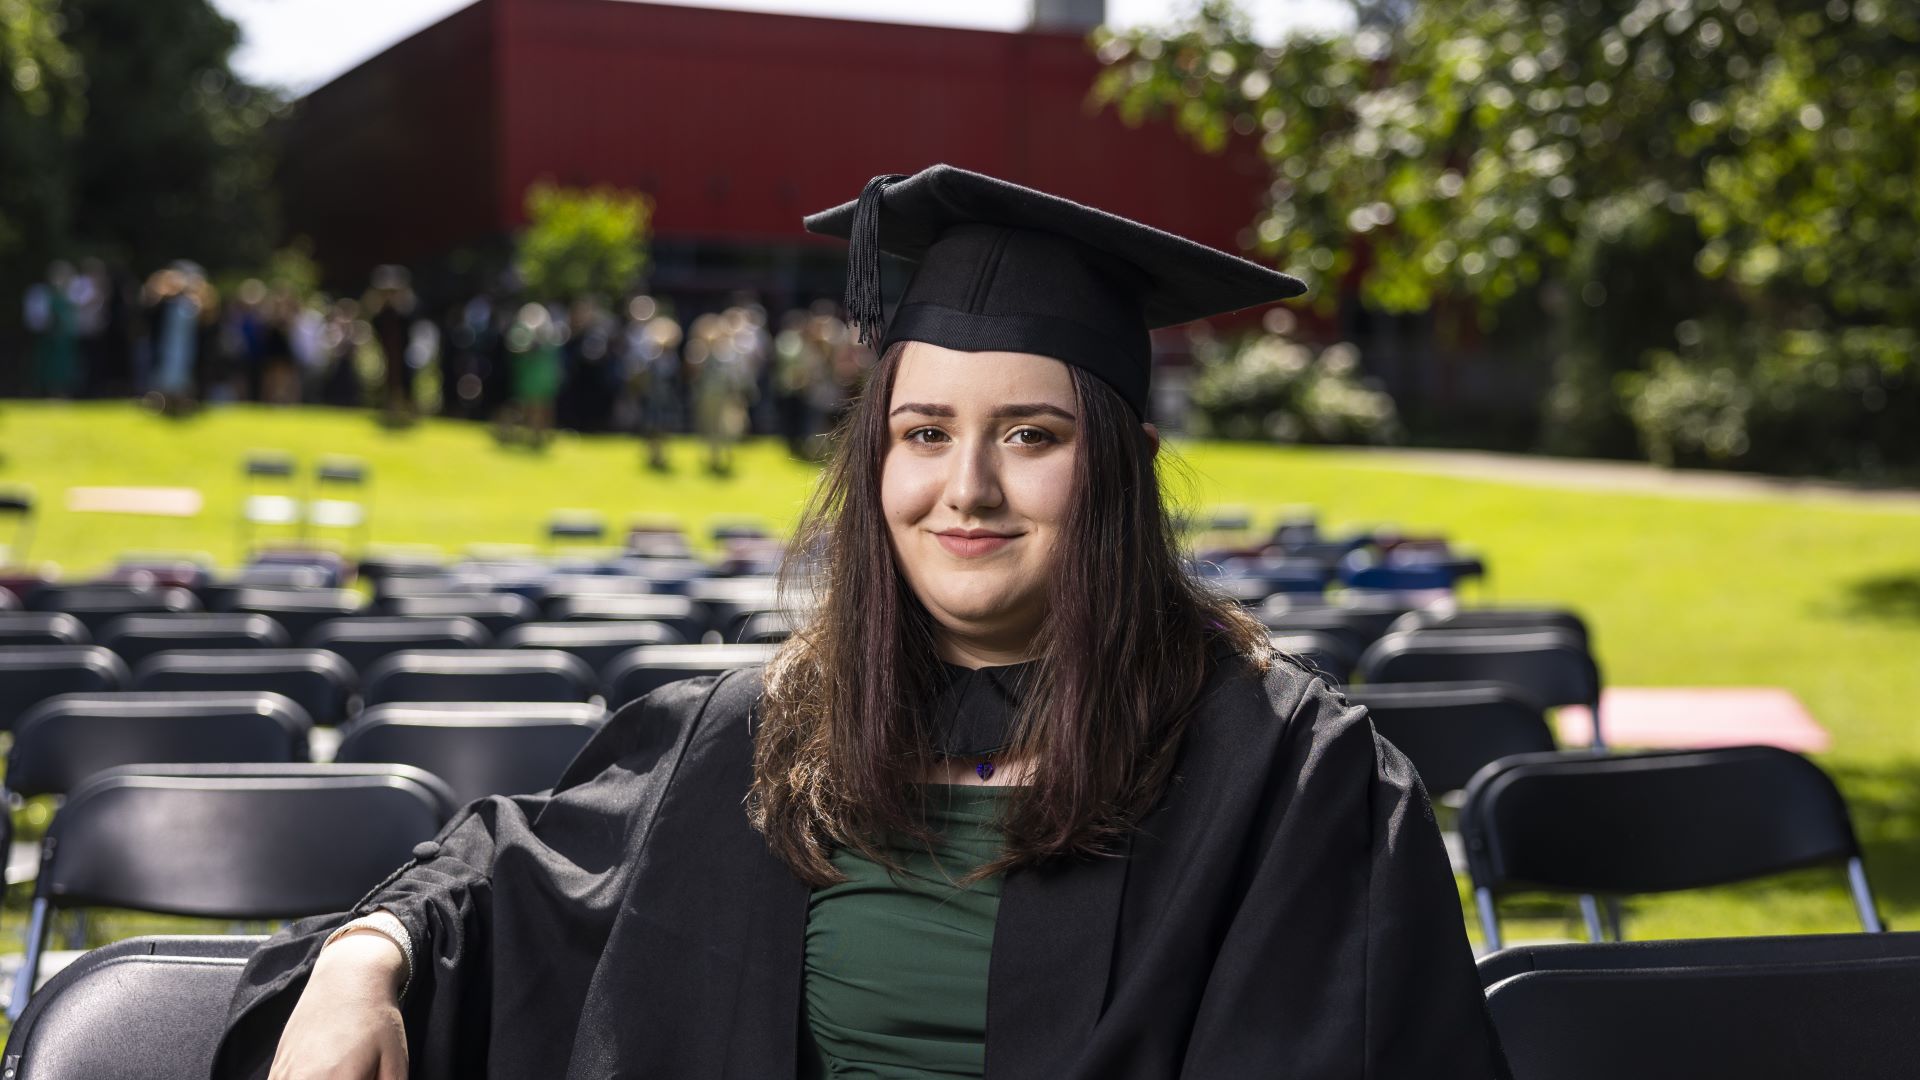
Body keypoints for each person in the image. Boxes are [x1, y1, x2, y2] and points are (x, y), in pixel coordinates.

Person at [215, 165, 1509, 1079]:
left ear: (1123, 460)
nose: (969, 488)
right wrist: (359, 964)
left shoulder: (1289, 773)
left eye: (1034, 435)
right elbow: (506, 879)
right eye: (924, 432)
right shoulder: (769, 729)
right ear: (874, 460)